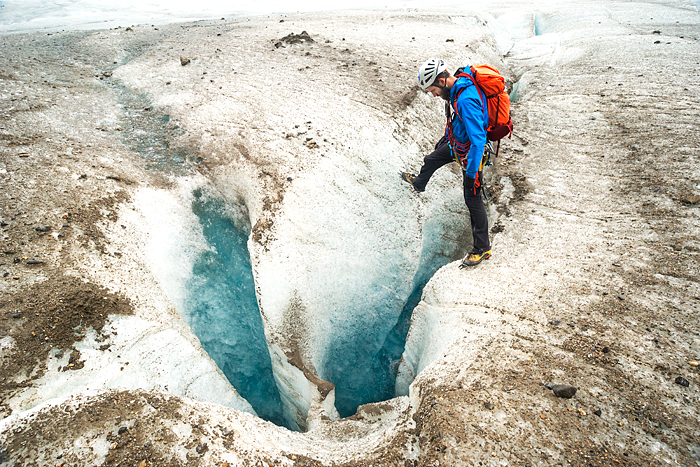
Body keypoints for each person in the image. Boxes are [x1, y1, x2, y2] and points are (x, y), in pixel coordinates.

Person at [401, 58, 491, 267]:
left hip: (471, 154)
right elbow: (457, 121)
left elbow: (478, 140)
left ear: (442, 81)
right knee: (431, 159)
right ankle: (419, 183)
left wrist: (471, 174)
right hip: (456, 144)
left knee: (472, 198)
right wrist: (447, 137)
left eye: (432, 90)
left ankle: (482, 248)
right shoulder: (456, 90)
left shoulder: (465, 98)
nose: (433, 95)